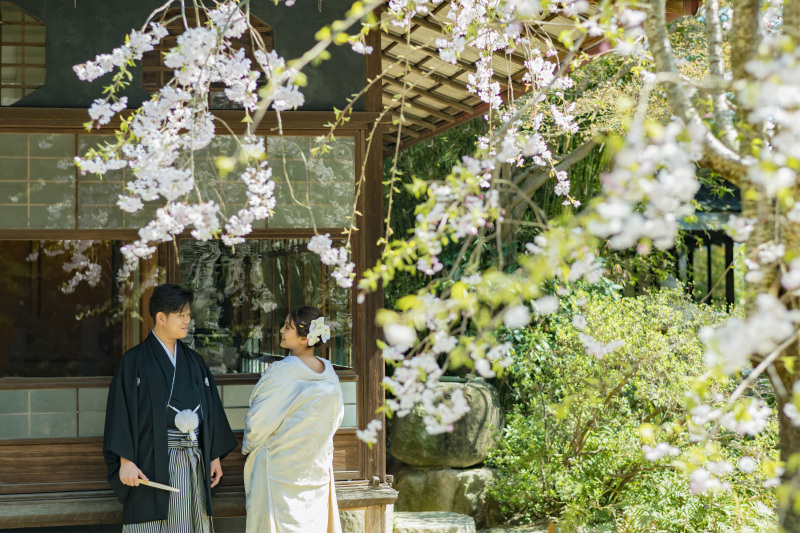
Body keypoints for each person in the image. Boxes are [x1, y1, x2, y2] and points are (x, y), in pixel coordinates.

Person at [103, 284, 238, 532]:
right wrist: (125, 460)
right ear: (161, 318)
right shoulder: (134, 361)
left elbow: (210, 408)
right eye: (181, 315)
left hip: (194, 460)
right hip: (151, 460)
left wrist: (213, 454)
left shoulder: (194, 361)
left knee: (192, 520)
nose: (188, 320)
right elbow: (120, 413)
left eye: (188, 313)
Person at [243, 306, 344, 533]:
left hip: (281, 470)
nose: (281, 330)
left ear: (303, 338)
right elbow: (335, 420)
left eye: (287, 327)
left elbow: (258, 422)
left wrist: (250, 443)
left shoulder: (282, 372)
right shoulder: (329, 372)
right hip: (314, 468)